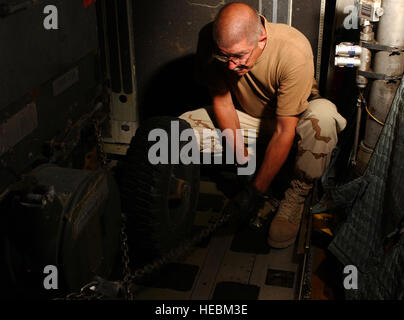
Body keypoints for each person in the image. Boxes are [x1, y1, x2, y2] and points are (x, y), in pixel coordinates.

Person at [179, 2, 347, 248]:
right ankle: (241, 182)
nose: (231, 65)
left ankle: (297, 194)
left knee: (324, 118)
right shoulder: (211, 40)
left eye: (238, 56)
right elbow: (223, 103)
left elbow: (284, 130)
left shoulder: (294, 50)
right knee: (182, 130)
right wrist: (244, 163)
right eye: (224, 56)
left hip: (292, 122)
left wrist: (254, 192)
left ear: (261, 39)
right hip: (248, 117)